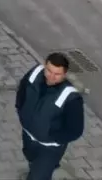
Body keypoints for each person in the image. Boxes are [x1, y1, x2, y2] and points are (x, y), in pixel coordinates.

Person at [15, 52, 84, 180]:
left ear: (65, 74)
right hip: (28, 137)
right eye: (48, 71)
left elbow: (75, 130)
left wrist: (52, 137)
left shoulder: (71, 98)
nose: (51, 77)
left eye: (57, 74)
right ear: (45, 66)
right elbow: (22, 91)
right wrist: (21, 110)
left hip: (49, 148)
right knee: (31, 161)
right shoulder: (35, 74)